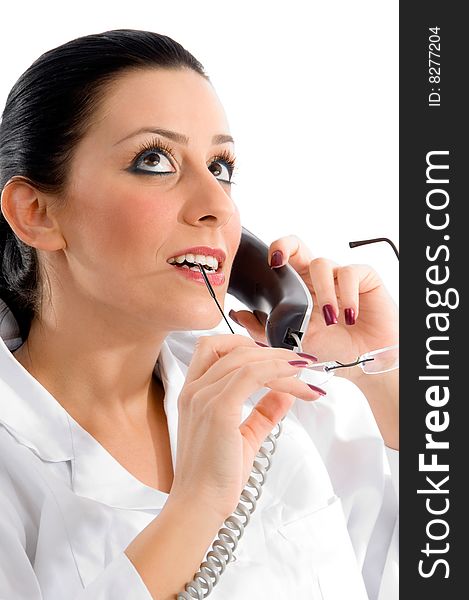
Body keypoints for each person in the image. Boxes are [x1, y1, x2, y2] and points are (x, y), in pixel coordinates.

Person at [0, 29, 398, 600]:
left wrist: (388, 381)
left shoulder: (282, 395)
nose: (216, 205)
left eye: (221, 166)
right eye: (154, 160)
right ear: (35, 212)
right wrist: (196, 508)